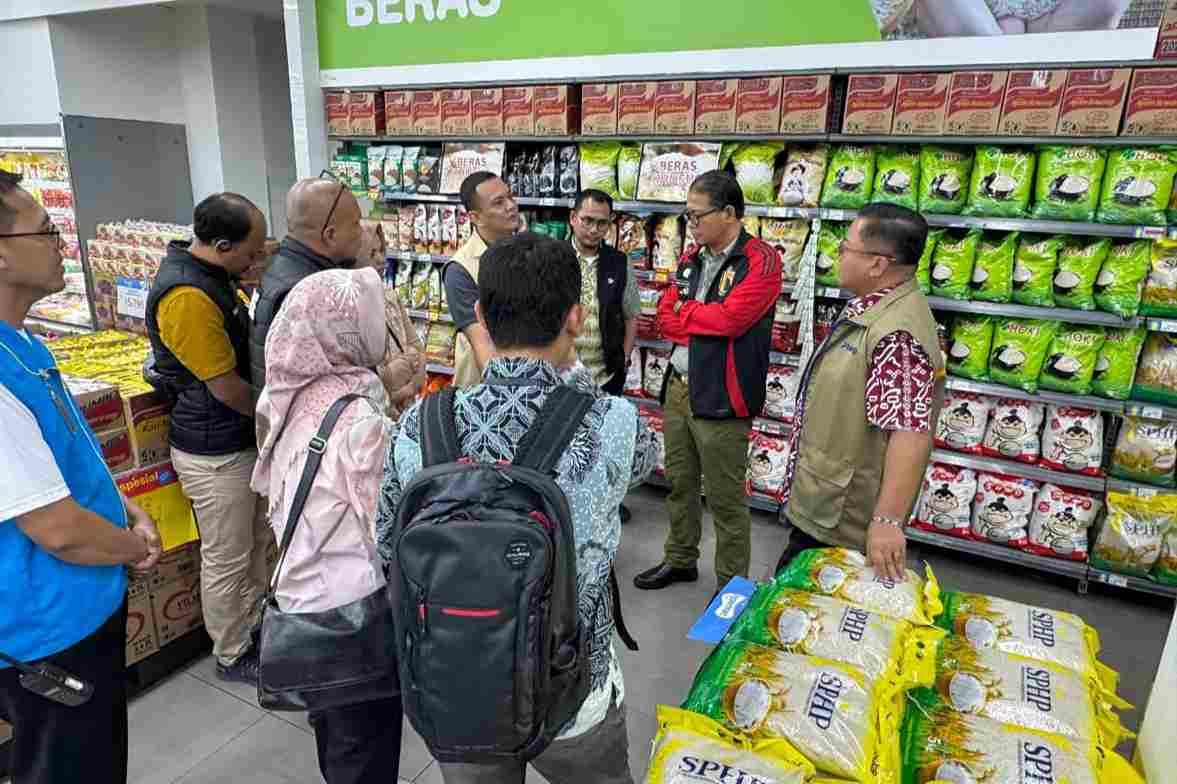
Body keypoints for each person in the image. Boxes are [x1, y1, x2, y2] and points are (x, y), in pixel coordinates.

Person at [377, 232, 658, 784]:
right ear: (575, 318)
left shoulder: (420, 425)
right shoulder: (613, 421)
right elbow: (647, 462)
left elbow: (388, 543)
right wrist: (575, 378)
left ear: (481, 316)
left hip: (460, 680)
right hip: (573, 688)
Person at [0, 169, 162, 784]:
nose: (62, 243)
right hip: (47, 631)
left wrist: (125, 507)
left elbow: (67, 459)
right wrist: (133, 547)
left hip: (81, 606)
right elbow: (58, 529)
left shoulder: (24, 345)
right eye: (45, 231)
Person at [252, 267, 406, 784]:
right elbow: (389, 525)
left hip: (303, 602)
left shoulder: (292, 396)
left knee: (336, 735)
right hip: (353, 614)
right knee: (364, 747)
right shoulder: (358, 420)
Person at [774, 203, 945, 581]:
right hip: (827, 503)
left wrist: (887, 521)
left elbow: (910, 432)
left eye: (846, 247)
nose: (838, 254)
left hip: (842, 522)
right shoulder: (874, 308)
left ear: (877, 264)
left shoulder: (897, 334)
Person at [634, 171, 781, 595]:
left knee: (725, 499)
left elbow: (732, 320)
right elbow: (665, 317)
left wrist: (690, 314)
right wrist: (700, 319)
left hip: (724, 394)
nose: (691, 224)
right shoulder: (691, 257)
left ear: (729, 213)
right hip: (679, 387)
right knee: (679, 483)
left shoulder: (761, 261)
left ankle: (730, 589)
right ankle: (681, 559)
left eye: (697, 216)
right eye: (688, 216)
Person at [145, 193, 271, 684]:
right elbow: (226, 388)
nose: (255, 262)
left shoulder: (214, 278)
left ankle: (256, 628)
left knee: (256, 544)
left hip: (236, 441)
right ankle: (232, 652)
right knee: (227, 556)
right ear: (222, 245)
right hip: (214, 451)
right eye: (252, 252)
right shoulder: (187, 296)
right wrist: (277, 416)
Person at [250, 175, 364, 394]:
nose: (361, 232)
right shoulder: (305, 292)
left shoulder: (279, 266)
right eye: (356, 223)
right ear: (330, 235)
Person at [567, 188, 640, 522]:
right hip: (564, 374)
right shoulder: (555, 258)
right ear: (573, 219)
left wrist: (624, 357)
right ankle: (567, 502)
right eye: (587, 220)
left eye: (602, 223)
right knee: (566, 441)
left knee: (606, 442)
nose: (594, 229)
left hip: (606, 374)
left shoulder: (618, 262)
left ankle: (607, 502)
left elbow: (631, 314)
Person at [444, 172, 520, 387]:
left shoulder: (528, 252)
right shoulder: (460, 270)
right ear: (475, 217)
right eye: (499, 202)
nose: (511, 206)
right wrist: (508, 393)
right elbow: (482, 344)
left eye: (510, 197)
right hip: (484, 388)